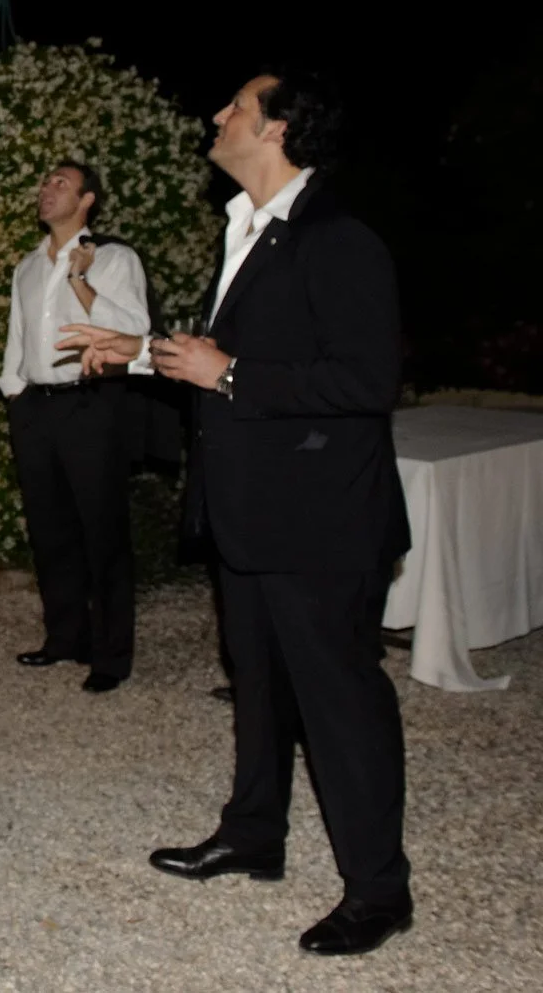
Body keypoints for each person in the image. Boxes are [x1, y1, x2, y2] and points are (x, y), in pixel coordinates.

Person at [62, 70, 413, 956]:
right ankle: (255, 833)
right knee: (256, 686)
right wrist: (140, 350)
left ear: (280, 128)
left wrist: (228, 374)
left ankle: (380, 890)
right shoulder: (246, 229)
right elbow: (231, 356)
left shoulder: (338, 238)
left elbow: (366, 381)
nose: (218, 115)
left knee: (340, 702)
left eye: (238, 107)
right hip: (250, 513)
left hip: (321, 519)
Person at [0, 161, 152, 692]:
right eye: (45, 182)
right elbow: (18, 338)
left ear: (87, 200)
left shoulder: (114, 259)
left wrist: (80, 277)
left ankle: (111, 656)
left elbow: (133, 331)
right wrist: (13, 391)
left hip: (90, 405)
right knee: (51, 531)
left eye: (60, 183)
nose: (46, 189)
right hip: (36, 407)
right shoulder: (27, 266)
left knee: (102, 530)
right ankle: (65, 638)